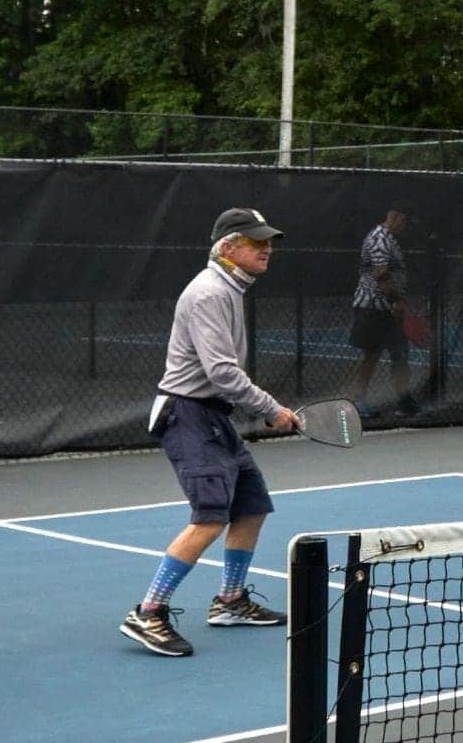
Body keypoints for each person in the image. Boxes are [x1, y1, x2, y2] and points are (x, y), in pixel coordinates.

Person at [120, 207, 301, 656]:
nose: (266, 249)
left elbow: (222, 378)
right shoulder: (209, 293)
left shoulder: (230, 288)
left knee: (251, 505)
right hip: (188, 416)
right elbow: (221, 372)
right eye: (256, 242)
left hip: (213, 417)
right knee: (210, 516)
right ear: (227, 247)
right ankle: (149, 611)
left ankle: (230, 601)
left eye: (268, 242)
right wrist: (272, 409)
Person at [350, 206, 419, 418]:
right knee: (371, 354)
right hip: (373, 307)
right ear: (394, 216)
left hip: (390, 311)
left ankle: (404, 400)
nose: (405, 227)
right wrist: (396, 301)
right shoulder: (379, 238)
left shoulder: (392, 239)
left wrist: (400, 303)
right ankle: (356, 401)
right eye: (404, 221)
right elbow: (381, 274)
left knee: (400, 354)